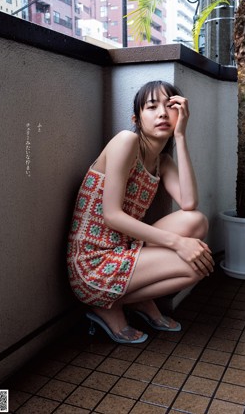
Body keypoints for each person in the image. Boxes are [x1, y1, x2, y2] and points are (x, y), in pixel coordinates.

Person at [67, 80, 214, 344]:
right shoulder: (127, 141)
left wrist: (181, 136)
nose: (161, 113)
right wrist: (178, 244)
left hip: (124, 248)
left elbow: (189, 204)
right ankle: (105, 304)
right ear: (137, 118)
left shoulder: (162, 162)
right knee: (194, 268)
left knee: (197, 221)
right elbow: (111, 215)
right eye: (151, 107)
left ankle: (135, 299)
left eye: (169, 107)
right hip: (93, 263)